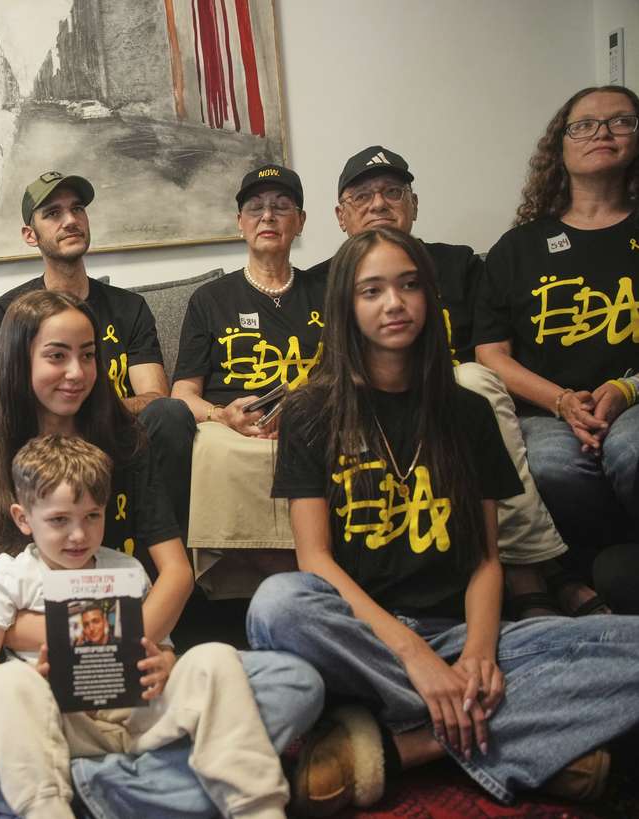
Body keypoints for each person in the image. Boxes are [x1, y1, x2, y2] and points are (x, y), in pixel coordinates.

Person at [247, 227, 639, 815]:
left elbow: (485, 558)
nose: (394, 303)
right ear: (346, 307)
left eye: (409, 286)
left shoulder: (469, 412)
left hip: (458, 633)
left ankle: (407, 745)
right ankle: (497, 732)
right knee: (278, 606)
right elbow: (315, 561)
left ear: (429, 297)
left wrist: (478, 653)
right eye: (372, 291)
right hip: (361, 637)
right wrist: (415, 657)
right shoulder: (310, 411)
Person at [0, 289, 324, 818]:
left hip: (138, 686)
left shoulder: (126, 437)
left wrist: (129, 651)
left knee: (295, 683)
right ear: (19, 361)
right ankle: (161, 787)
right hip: (44, 701)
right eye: (57, 355)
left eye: (88, 355)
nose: (76, 372)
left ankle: (72, 786)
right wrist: (83, 641)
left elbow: (176, 573)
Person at [310, 146, 576, 620]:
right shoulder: (318, 283)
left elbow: (489, 350)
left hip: (448, 399)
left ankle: (524, 561)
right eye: (362, 196)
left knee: (473, 380)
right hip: (368, 397)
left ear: (414, 204)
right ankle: (540, 572)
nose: (379, 204)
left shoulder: (459, 264)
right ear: (340, 216)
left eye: (393, 192)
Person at [0, 434, 287, 819]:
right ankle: (50, 807)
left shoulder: (127, 569)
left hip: (136, 713)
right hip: (55, 721)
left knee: (216, 658)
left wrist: (164, 664)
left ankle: (256, 806)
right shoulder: (11, 574)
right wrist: (32, 681)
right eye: (59, 520)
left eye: (92, 516)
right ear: (23, 519)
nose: (79, 535)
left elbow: (161, 648)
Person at [476, 85, 639, 616]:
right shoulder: (518, 248)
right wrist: (562, 401)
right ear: (560, 146)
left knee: (630, 449)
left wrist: (626, 389)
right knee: (549, 466)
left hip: (634, 402)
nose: (602, 133)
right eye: (584, 125)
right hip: (548, 412)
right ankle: (590, 571)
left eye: (621, 121)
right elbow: (491, 353)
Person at [0, 171, 195, 528]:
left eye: (77, 209)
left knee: (170, 413)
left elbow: (154, 395)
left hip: (117, 433)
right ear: (30, 235)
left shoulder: (129, 308)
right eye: (53, 213)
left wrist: (93, 410)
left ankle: (166, 548)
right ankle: (20, 551)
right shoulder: (11, 311)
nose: (70, 220)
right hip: (41, 438)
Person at [171, 164, 321, 596]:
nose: (267, 216)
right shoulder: (210, 300)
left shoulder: (327, 290)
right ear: (240, 223)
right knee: (215, 451)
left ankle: (311, 580)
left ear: (300, 221)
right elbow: (183, 393)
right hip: (234, 429)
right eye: (255, 208)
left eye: (281, 206)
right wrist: (222, 415)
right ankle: (293, 582)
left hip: (314, 422)